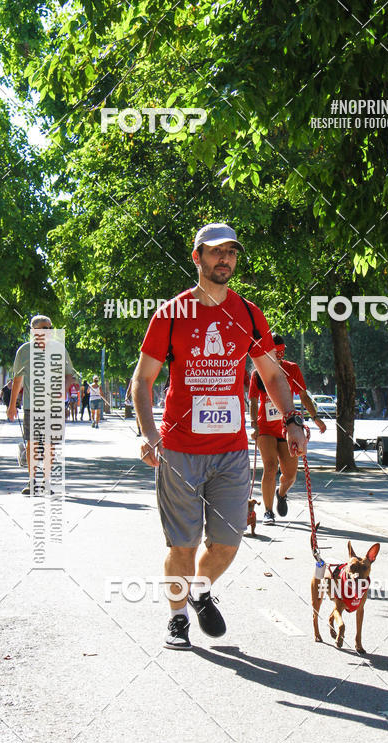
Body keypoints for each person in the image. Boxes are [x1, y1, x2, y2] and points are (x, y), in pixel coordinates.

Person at [132, 222, 308, 651]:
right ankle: (177, 618)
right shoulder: (172, 314)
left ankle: (199, 591)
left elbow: (271, 373)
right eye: (214, 252)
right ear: (197, 257)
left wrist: (292, 417)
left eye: (230, 252)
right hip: (179, 450)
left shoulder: (248, 313)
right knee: (182, 544)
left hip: (230, 451)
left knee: (227, 544)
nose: (223, 259)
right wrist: (150, 434)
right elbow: (143, 381)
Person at [249, 335, 326, 524]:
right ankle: (268, 511)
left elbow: (303, 395)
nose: (279, 356)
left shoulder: (292, 369)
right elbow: (252, 400)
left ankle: (281, 493)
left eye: (281, 352)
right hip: (266, 428)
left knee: (291, 473)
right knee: (270, 467)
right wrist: (254, 424)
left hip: (288, 428)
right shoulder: (258, 373)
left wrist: (315, 417)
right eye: (275, 352)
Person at [7, 315, 77, 493]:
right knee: (33, 444)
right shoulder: (24, 351)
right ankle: (31, 482)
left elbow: (70, 375)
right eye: (44, 328)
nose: (48, 331)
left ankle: (45, 482)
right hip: (33, 405)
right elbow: (17, 380)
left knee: (49, 445)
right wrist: (12, 405)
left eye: (50, 328)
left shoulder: (59, 349)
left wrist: (64, 388)